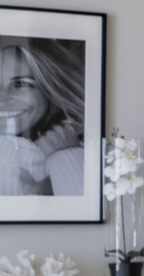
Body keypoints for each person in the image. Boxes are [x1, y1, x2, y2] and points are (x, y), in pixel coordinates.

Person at [0, 38, 86, 198]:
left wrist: (65, 158)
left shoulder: (91, 152)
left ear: (51, 89)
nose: (2, 99)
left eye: (20, 84)